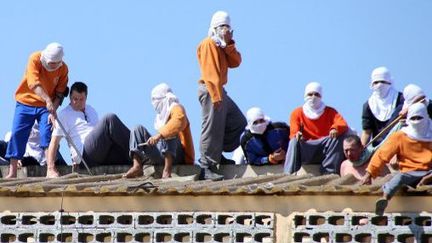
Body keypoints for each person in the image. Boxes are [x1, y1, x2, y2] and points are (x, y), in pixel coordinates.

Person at [5, 42, 69, 178]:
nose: (49, 64)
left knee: (46, 133)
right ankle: (12, 172)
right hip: (25, 102)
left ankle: (50, 168)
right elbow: (33, 84)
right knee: (17, 134)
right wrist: (47, 100)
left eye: (52, 63)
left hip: (46, 107)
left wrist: (53, 108)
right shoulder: (34, 58)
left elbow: (60, 93)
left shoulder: (63, 69)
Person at [196, 11, 247, 181]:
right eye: (223, 27)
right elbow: (210, 72)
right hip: (211, 89)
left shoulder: (222, 46)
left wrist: (229, 44)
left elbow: (236, 62)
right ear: (215, 28)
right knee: (211, 128)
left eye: (228, 27)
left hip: (220, 90)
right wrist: (216, 95)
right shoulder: (209, 44)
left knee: (238, 122)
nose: (226, 30)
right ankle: (206, 166)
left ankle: (216, 155)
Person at [46, 82, 131, 178]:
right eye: (75, 99)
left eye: (81, 99)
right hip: (84, 153)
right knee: (109, 119)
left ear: (86, 98)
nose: (77, 102)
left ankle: (140, 156)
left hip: (98, 153)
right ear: (70, 98)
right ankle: (138, 150)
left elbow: (102, 135)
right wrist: (50, 168)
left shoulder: (91, 110)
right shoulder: (64, 115)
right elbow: (54, 142)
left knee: (123, 153)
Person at [361, 103, 432, 216]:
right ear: (409, 119)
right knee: (396, 181)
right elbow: (382, 154)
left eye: (419, 118)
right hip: (408, 173)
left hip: (429, 173)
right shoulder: (400, 136)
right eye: (414, 118)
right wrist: (369, 173)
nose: (417, 121)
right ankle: (385, 199)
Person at [124, 83, 195, 179]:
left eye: (155, 99)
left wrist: (159, 135)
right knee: (137, 129)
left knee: (169, 131)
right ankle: (137, 165)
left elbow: (179, 121)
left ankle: (167, 170)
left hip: (178, 155)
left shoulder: (177, 108)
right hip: (161, 153)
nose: (154, 103)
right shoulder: (161, 115)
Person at [284, 82, 349, 175]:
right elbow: (294, 131)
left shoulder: (330, 111)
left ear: (321, 96)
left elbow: (342, 124)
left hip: (324, 148)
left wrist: (335, 128)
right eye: (310, 94)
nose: (313, 97)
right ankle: (289, 173)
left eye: (316, 94)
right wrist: (297, 135)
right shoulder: (297, 113)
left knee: (338, 137)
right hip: (305, 148)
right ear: (305, 96)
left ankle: (329, 171)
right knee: (294, 141)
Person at [361, 67, 404, 147]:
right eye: (376, 82)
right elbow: (367, 131)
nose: (379, 85)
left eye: (383, 82)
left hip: (399, 143)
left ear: (390, 82)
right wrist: (361, 149)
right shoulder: (368, 105)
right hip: (378, 148)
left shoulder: (402, 99)